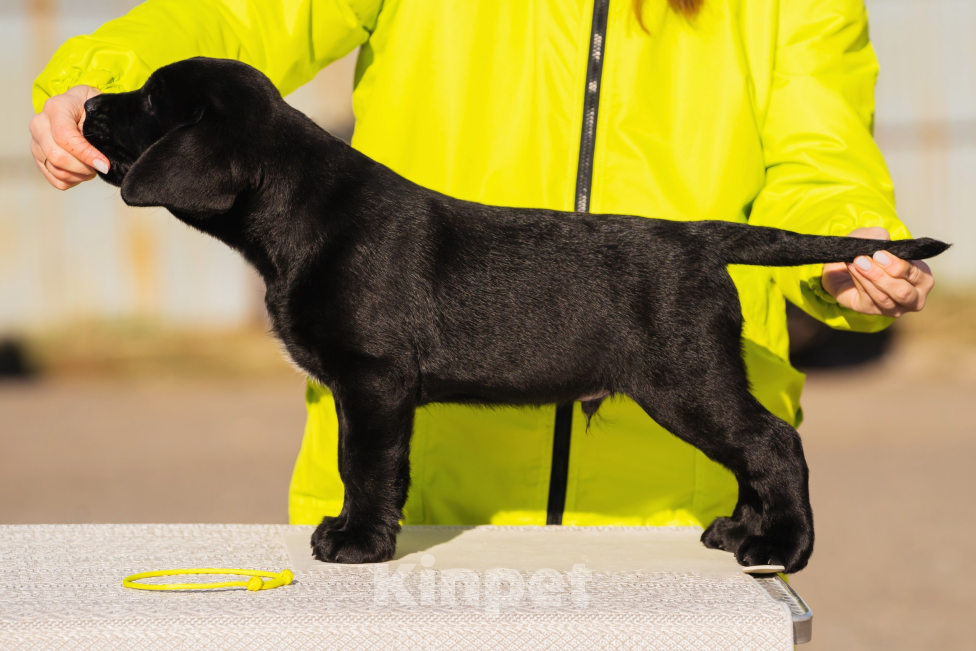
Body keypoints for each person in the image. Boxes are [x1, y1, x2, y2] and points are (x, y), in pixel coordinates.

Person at [30, 0, 934, 534]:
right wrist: (102, 83)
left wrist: (851, 245)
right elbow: (238, 15)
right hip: (424, 509)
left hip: (668, 510)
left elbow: (822, 158)